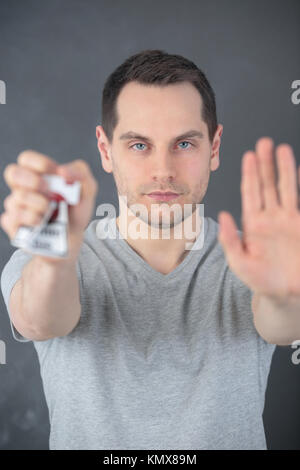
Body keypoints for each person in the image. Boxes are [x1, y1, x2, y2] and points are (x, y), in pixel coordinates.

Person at [1, 49, 299, 450]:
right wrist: (56, 257)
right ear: (106, 151)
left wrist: (285, 292)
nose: (163, 170)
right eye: (139, 145)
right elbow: (41, 320)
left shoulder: (255, 261)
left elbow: (284, 325)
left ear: (214, 147)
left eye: (184, 144)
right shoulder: (49, 260)